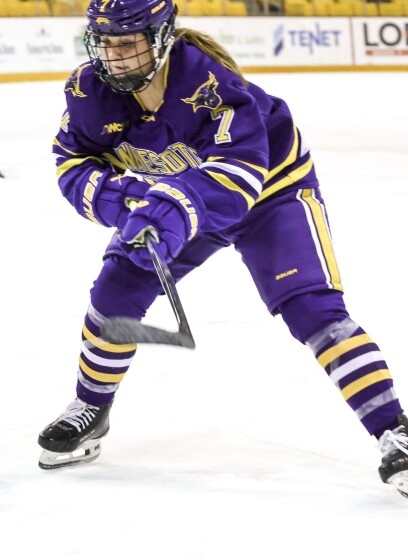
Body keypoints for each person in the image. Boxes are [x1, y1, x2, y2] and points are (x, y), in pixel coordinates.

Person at [37, 0, 408, 498]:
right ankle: (92, 407)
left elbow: (235, 181)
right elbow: (71, 160)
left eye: (128, 42)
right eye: (105, 42)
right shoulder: (89, 91)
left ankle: (394, 429)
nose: (116, 57)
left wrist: (164, 210)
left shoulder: (211, 86)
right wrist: (124, 202)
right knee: (114, 294)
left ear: (162, 36)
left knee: (312, 309)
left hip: (271, 192)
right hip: (174, 200)